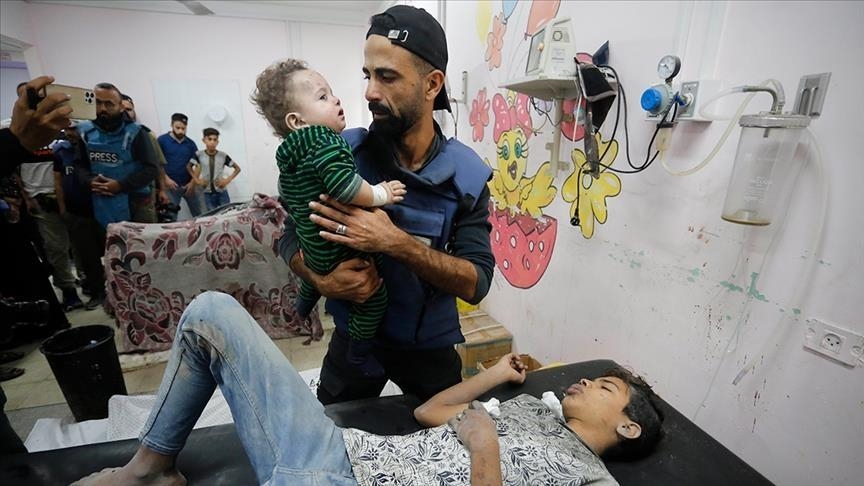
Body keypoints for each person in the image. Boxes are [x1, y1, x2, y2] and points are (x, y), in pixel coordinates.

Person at [72, 292, 664, 485]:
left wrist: (484, 449)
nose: (583, 380)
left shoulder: (591, 479)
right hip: (339, 451)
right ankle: (149, 467)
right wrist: (494, 378)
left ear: (628, 424)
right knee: (210, 313)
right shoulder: (533, 413)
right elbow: (429, 410)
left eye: (604, 385)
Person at [279, 5, 495, 404]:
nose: (369, 92)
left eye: (387, 76)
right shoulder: (339, 155)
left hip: (428, 348)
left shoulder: (466, 178)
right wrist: (319, 280)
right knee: (331, 431)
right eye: (368, 75)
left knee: (451, 433)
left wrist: (395, 242)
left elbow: (477, 282)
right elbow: (289, 235)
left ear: (432, 85)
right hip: (354, 342)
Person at [251, 60, 406, 377]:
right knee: (374, 300)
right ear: (297, 120)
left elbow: (294, 207)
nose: (336, 99)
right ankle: (359, 354)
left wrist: (316, 277)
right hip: (340, 254)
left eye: (332, 93)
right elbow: (345, 186)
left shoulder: (289, 158)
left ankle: (303, 306)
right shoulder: (327, 144)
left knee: (313, 274)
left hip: (312, 250)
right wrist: (381, 194)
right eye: (323, 97)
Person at [12, 84, 83, 311]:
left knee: (79, 244)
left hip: (69, 195)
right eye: (27, 95)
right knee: (56, 247)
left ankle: (86, 282)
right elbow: (13, 171)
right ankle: (69, 290)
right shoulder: (14, 130)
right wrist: (27, 198)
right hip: (40, 197)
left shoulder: (61, 125)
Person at [76, 83, 158, 227]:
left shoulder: (136, 132)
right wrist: (89, 181)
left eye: (109, 104)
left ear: (120, 106)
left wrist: (120, 185)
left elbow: (152, 169)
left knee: (141, 239)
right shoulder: (84, 132)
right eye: (98, 103)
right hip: (101, 202)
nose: (102, 108)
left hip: (136, 202)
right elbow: (79, 165)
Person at [53, 123, 106, 310]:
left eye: (74, 129)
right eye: (67, 129)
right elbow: (58, 182)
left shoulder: (97, 148)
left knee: (111, 252)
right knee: (88, 257)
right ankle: (98, 293)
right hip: (77, 212)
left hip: (102, 209)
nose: (71, 133)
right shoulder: (60, 152)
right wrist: (63, 209)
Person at [1, 75, 72, 177]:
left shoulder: (56, 122)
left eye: (33, 96)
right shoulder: (6, 127)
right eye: (24, 97)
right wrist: (15, 137)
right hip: (29, 181)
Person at [121, 94, 172, 210]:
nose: (125, 113)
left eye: (128, 109)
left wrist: (162, 190)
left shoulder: (146, 135)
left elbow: (159, 165)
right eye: (122, 109)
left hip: (143, 195)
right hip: (116, 194)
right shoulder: (101, 137)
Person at [157, 113, 201, 221]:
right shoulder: (162, 141)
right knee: (170, 217)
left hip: (188, 185)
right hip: (171, 186)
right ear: (172, 125)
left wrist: (192, 183)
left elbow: (199, 165)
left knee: (200, 214)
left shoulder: (190, 144)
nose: (181, 131)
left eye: (183, 128)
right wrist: (166, 179)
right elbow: (158, 163)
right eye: (178, 128)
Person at [189, 127, 241, 212]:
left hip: (221, 191)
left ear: (217, 142)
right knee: (212, 215)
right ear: (204, 140)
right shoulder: (199, 155)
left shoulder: (223, 155)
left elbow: (237, 169)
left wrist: (227, 180)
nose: (212, 142)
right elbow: (189, 167)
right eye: (209, 139)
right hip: (207, 192)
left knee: (226, 213)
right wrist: (197, 180)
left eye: (215, 140)